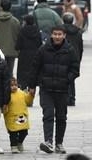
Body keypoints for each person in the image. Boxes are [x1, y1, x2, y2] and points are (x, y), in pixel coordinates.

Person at [29, 26, 80, 154]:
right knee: (48, 115)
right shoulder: (43, 49)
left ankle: (59, 143)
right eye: (55, 34)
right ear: (51, 35)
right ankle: (48, 142)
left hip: (62, 90)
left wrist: (67, 79)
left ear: (64, 35)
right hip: (46, 89)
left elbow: (75, 69)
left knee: (61, 117)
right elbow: (35, 67)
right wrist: (32, 85)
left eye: (60, 34)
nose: (57, 36)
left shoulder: (69, 50)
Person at [3, 77, 34, 153]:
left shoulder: (21, 93)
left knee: (24, 132)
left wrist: (30, 95)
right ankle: (13, 146)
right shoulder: (6, 95)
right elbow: (4, 107)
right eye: (12, 85)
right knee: (13, 133)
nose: (14, 87)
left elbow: (28, 101)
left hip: (22, 116)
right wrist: (4, 109)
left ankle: (19, 142)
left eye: (15, 85)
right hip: (12, 118)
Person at [0, 0, 21, 76]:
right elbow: (19, 36)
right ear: (10, 7)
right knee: (10, 72)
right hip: (12, 50)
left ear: (1, 7)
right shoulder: (15, 21)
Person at [61, 13, 83, 107]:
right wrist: (79, 58)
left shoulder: (60, 31)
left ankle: (65, 97)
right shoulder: (78, 32)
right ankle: (72, 98)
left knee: (62, 77)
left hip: (62, 56)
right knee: (71, 78)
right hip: (75, 57)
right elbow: (80, 47)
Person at [15, 15, 42, 89]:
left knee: (23, 75)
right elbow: (40, 44)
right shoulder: (37, 31)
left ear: (26, 22)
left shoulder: (22, 31)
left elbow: (18, 46)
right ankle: (32, 90)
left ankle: (24, 91)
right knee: (33, 72)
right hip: (35, 55)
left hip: (24, 55)